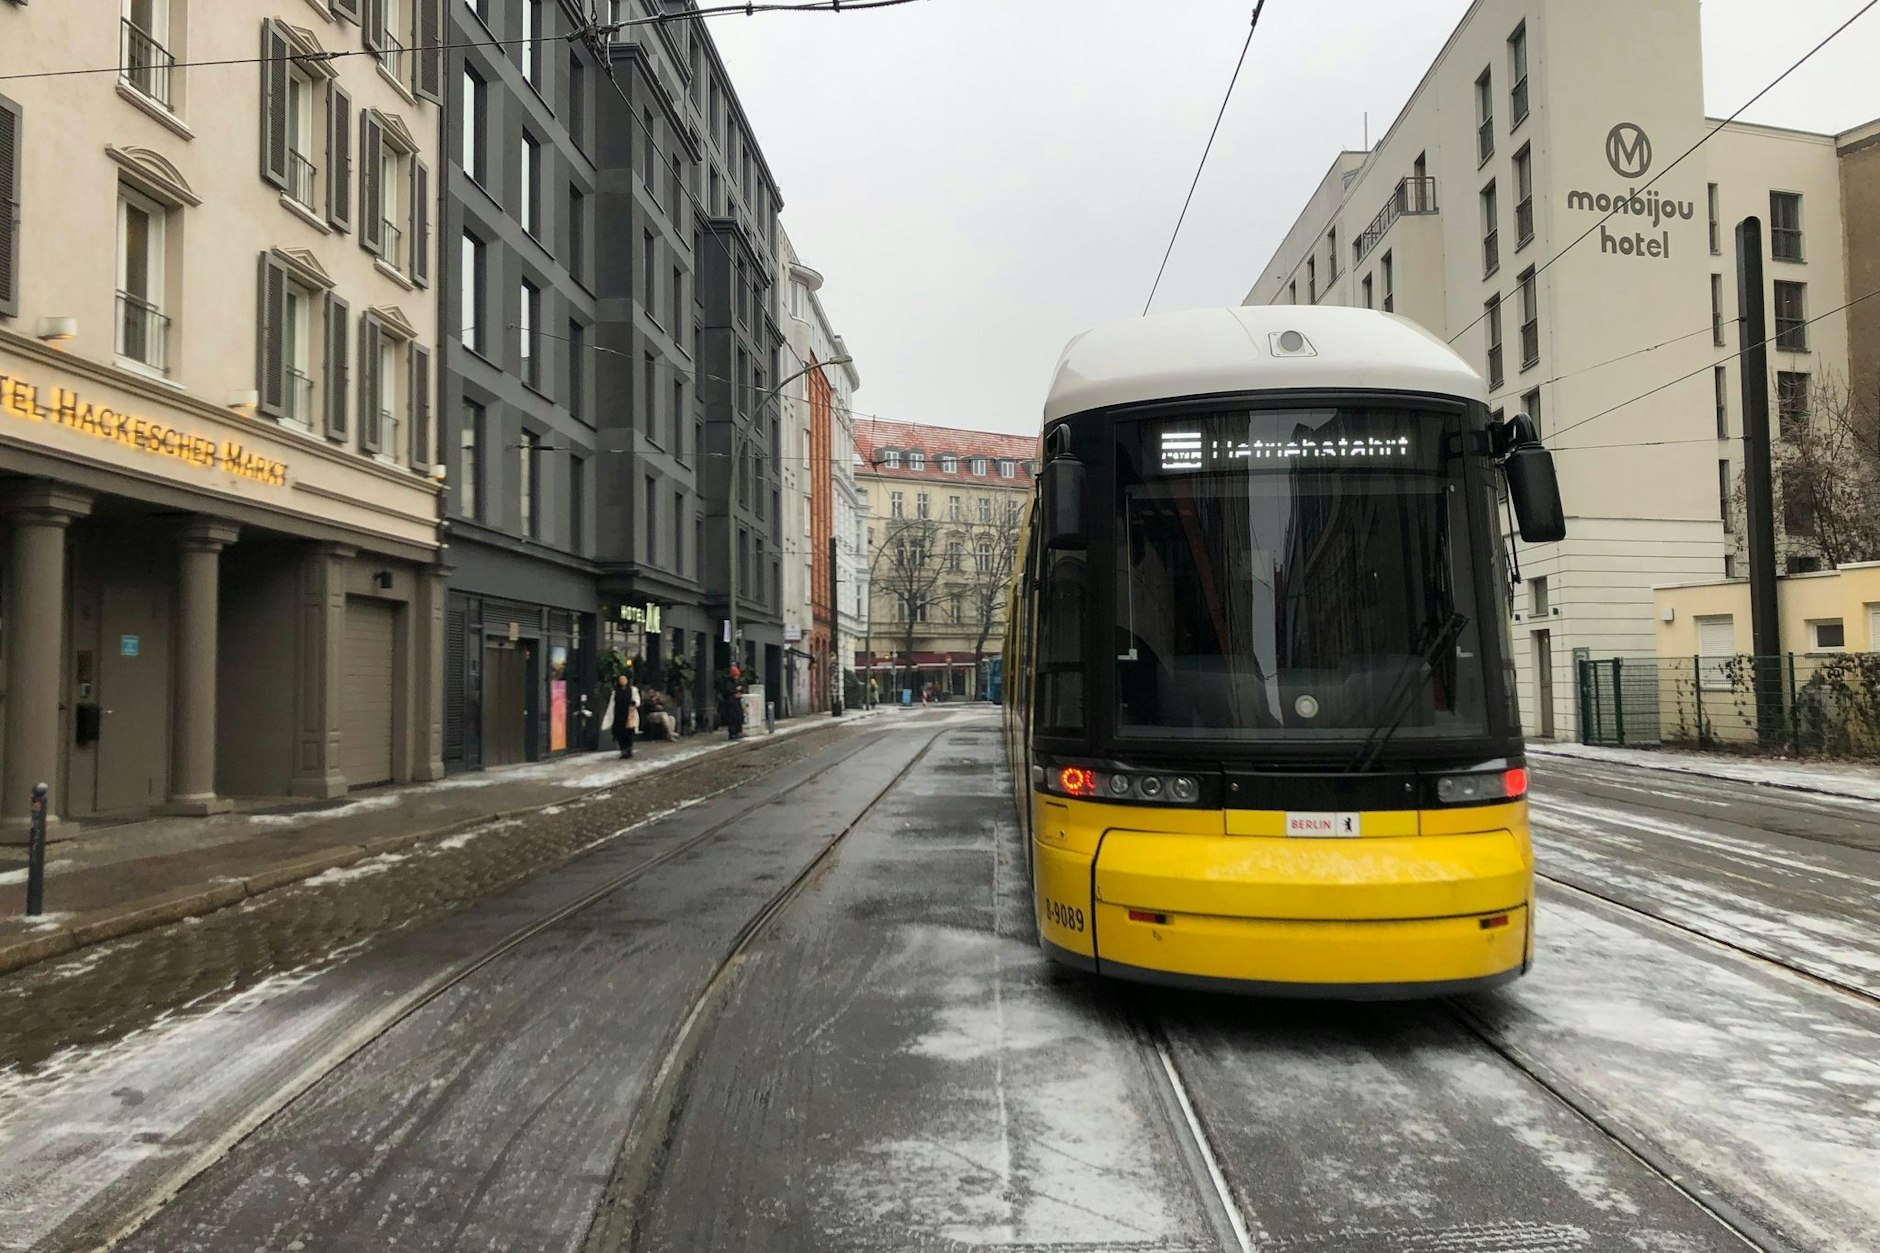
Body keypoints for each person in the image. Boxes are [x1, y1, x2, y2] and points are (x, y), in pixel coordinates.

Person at [610, 672, 640, 758]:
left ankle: (629, 750)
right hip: (619, 715)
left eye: (624, 679)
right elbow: (612, 704)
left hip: (629, 714)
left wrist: (634, 703)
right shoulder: (615, 692)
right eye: (621, 680)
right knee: (620, 733)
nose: (622, 681)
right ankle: (623, 751)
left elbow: (637, 701)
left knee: (628, 733)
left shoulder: (632, 690)